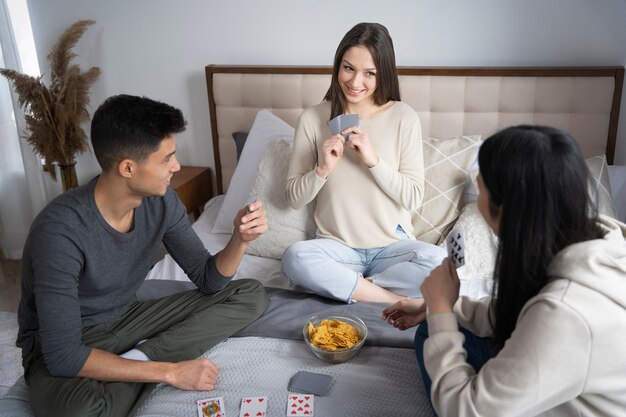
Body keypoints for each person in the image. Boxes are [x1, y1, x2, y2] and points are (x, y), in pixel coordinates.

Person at [17, 94, 269, 417]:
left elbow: (208, 279)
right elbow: (64, 356)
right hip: (69, 344)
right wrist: (170, 372)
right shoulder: (59, 232)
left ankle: (138, 359)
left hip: (129, 319)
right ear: (127, 168)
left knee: (250, 294)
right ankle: (146, 363)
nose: (176, 167)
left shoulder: (161, 202)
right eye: (167, 159)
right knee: (80, 410)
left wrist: (240, 240)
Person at [382, 125, 626, 416]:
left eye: (481, 181)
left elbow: (466, 410)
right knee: (430, 328)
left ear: (507, 208)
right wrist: (437, 308)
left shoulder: (566, 313)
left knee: (437, 336)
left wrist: (441, 311)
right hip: (555, 370)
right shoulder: (582, 237)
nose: (474, 182)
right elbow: (519, 313)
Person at [281, 22, 445, 304]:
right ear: (337, 66)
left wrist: (373, 161)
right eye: (348, 68)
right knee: (295, 258)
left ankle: (357, 289)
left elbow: (413, 197)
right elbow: (293, 199)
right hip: (336, 249)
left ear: (384, 74)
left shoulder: (404, 117)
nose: (356, 83)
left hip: (392, 251)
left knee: (441, 262)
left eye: (369, 73)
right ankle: (393, 300)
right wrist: (322, 170)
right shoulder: (312, 118)